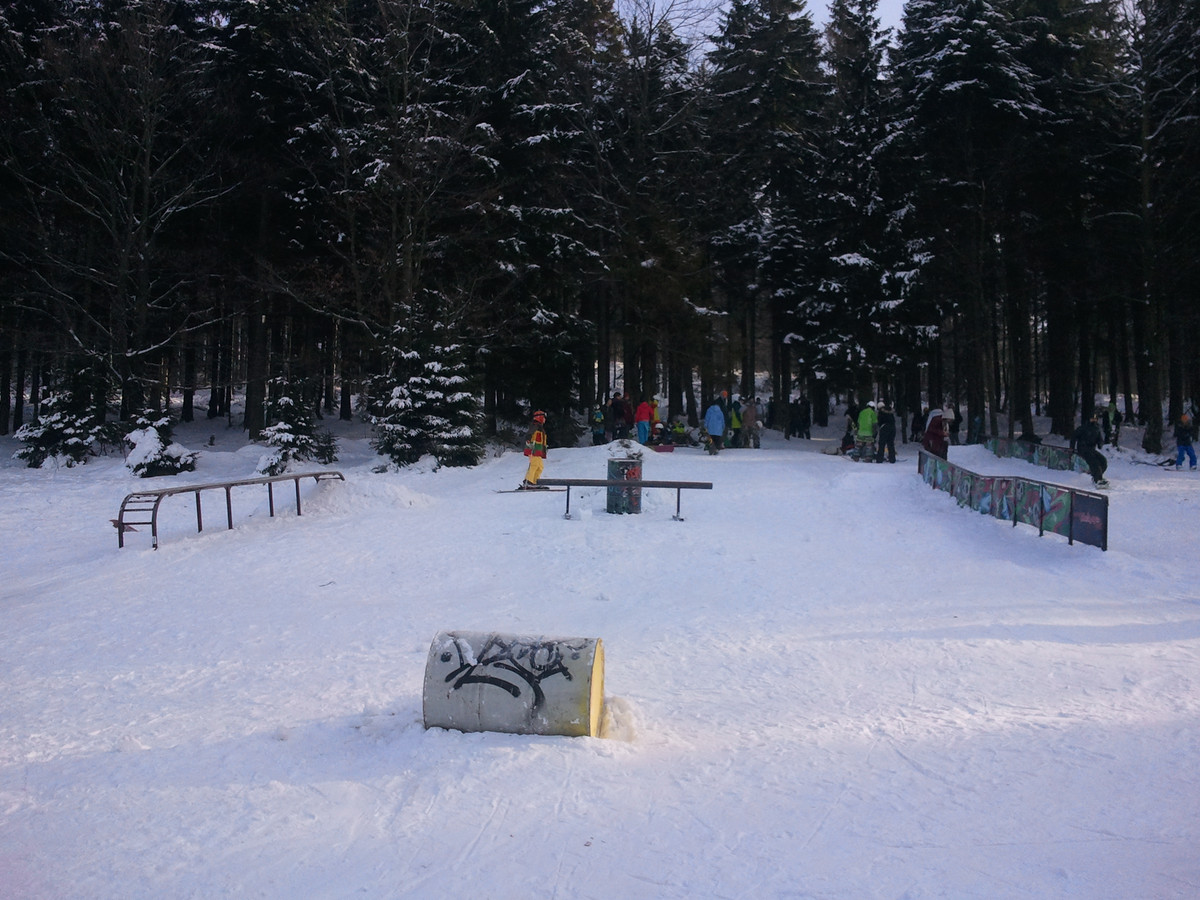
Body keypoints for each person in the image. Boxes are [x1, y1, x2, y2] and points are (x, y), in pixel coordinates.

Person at [1070, 412, 1109, 487]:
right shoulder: (1083, 428)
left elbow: (1099, 439)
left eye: (1095, 419)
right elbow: (1074, 436)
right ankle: (1097, 480)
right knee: (1095, 463)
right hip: (1083, 449)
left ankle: (1097, 476)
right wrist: (1072, 447)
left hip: (1091, 449)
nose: (1093, 420)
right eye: (1092, 419)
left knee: (1103, 461)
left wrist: (1100, 444)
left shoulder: (1096, 429)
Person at [518, 410, 549, 489]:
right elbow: (529, 434)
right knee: (534, 465)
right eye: (544, 417)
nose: (545, 419)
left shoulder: (540, 427)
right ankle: (529, 481)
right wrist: (529, 441)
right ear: (539, 417)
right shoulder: (535, 426)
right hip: (534, 449)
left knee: (540, 466)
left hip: (538, 450)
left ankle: (535, 481)